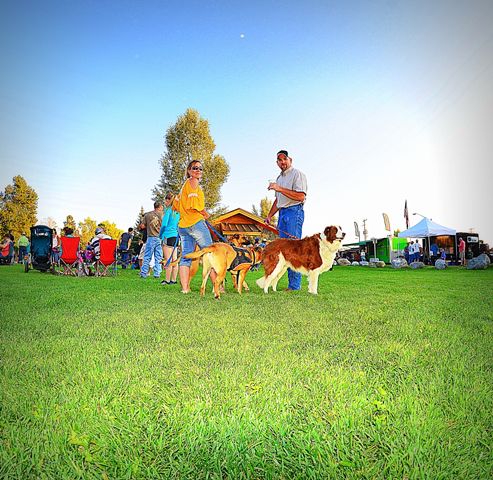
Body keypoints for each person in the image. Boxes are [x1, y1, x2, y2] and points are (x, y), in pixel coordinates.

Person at [265, 149, 307, 291]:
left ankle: (295, 286)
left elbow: (301, 196)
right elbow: (278, 200)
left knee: (294, 249)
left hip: (294, 212)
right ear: (277, 162)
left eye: (285, 159)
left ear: (290, 160)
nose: (282, 162)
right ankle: (290, 284)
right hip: (282, 213)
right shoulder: (279, 178)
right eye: (279, 160)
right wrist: (270, 215)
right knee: (284, 251)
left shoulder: (297, 174)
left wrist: (280, 188)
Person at [176, 160, 216, 293]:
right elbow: (194, 205)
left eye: (200, 168)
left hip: (183, 225)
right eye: (194, 168)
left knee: (186, 256)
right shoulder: (193, 182)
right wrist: (205, 213)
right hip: (195, 224)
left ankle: (185, 288)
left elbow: (176, 206)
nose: (198, 170)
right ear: (189, 171)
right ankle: (218, 287)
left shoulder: (183, 187)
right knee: (210, 253)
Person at [160, 194, 180, 285]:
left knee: (168, 259)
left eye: (165, 200)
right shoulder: (178, 212)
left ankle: (167, 280)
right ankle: (174, 280)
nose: (164, 202)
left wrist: (160, 235)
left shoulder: (168, 211)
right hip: (175, 236)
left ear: (169, 200)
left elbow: (164, 224)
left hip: (167, 235)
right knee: (174, 259)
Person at [140, 201, 164, 279]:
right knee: (159, 257)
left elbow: (142, 226)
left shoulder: (147, 215)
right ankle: (157, 274)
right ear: (160, 207)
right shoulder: (163, 215)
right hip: (160, 238)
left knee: (147, 256)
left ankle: (143, 273)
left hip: (150, 237)